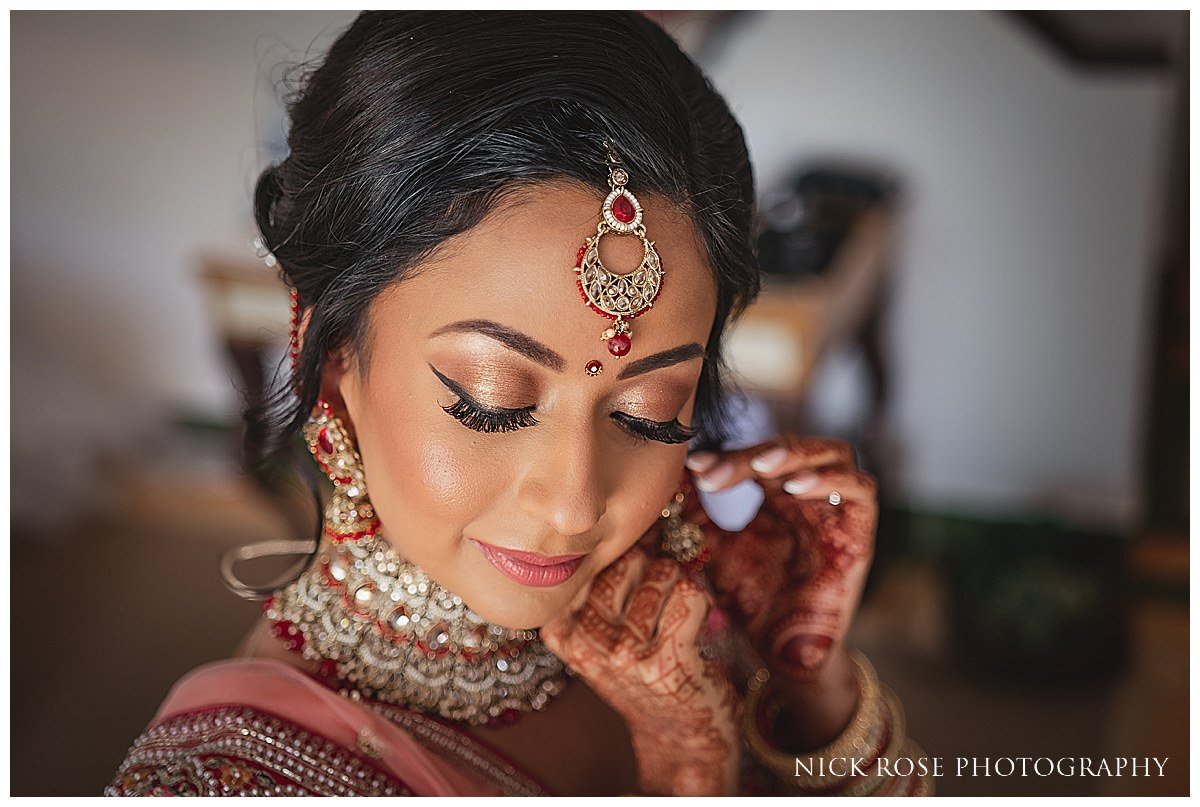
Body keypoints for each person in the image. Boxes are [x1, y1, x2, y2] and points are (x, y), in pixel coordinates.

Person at [108, 11, 931, 797]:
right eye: (490, 404)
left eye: (649, 411)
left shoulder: (670, 599)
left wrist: (807, 685)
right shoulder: (236, 775)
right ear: (328, 361)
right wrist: (689, 767)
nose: (574, 504)